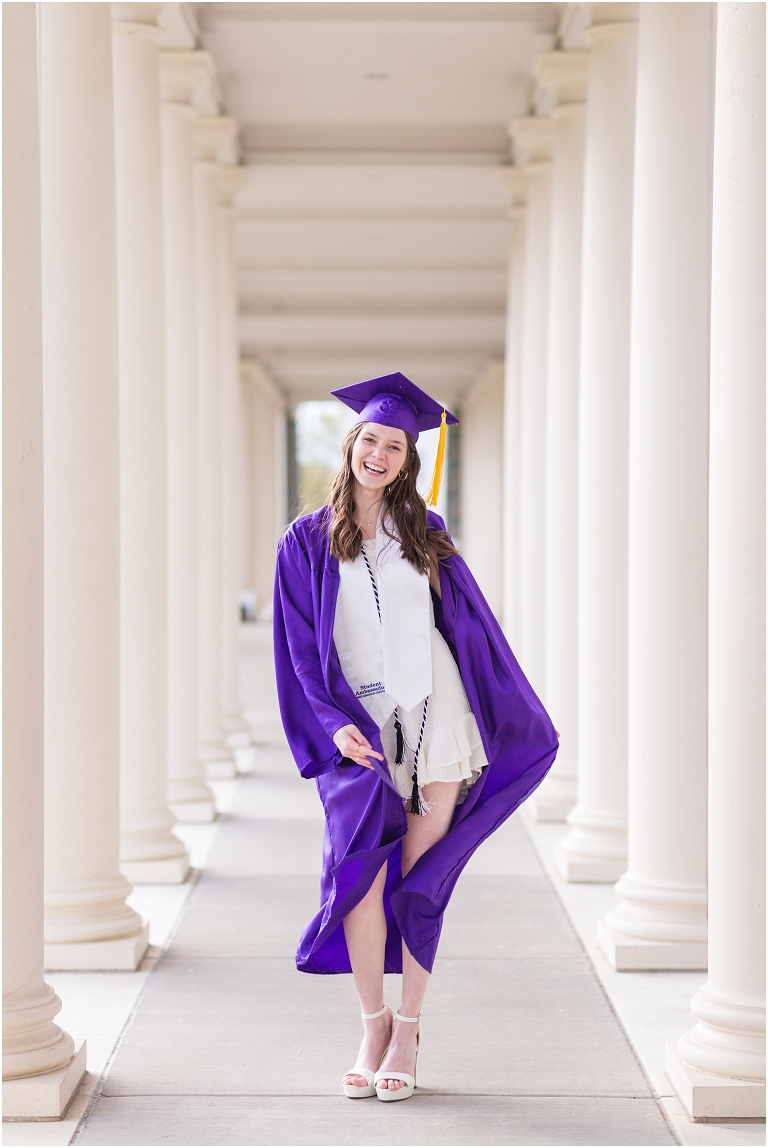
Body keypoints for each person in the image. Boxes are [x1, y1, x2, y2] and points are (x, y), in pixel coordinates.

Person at [273, 372, 558, 1103]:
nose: (379, 454)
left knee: (418, 884)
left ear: (409, 459)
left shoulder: (426, 533)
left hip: (437, 721)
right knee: (362, 879)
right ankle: (372, 1022)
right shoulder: (304, 543)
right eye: (370, 439)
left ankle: (409, 1028)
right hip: (360, 732)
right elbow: (303, 651)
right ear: (352, 445)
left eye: (394, 446)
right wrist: (332, 724)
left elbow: (464, 627)